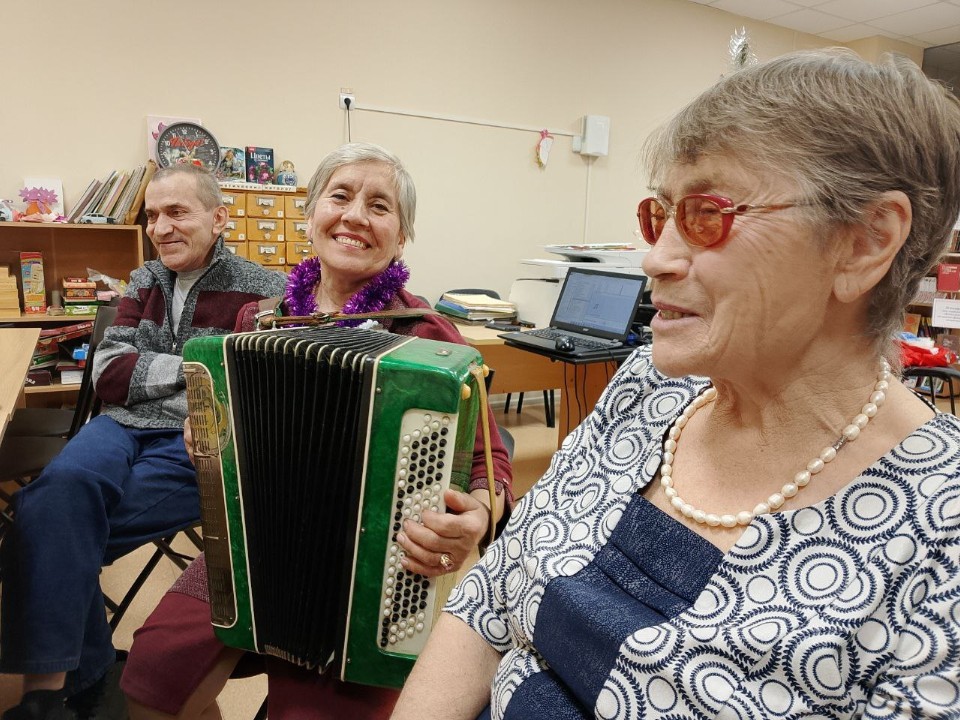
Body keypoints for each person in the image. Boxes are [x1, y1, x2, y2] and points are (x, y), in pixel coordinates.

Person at [392, 49, 960, 720]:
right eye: (657, 215)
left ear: (865, 241)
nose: (654, 258)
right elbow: (491, 596)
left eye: (706, 213)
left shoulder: (939, 536)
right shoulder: (647, 388)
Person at [120, 142, 514, 719]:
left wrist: (475, 517)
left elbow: (489, 461)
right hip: (252, 545)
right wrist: (207, 440)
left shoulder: (431, 338)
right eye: (340, 196)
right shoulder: (260, 320)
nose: (355, 215)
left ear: (401, 236)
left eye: (379, 206)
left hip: (379, 574)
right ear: (311, 216)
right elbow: (217, 431)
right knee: (150, 679)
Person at [0, 164, 288, 720]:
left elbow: (246, 388)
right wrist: (201, 368)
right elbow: (107, 370)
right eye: (152, 215)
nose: (160, 227)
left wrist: (160, 373)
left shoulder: (267, 291)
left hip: (196, 442)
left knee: (48, 524)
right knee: (63, 489)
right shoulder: (142, 280)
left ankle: (51, 697)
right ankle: (71, 684)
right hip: (118, 425)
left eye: (176, 212)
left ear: (219, 218)